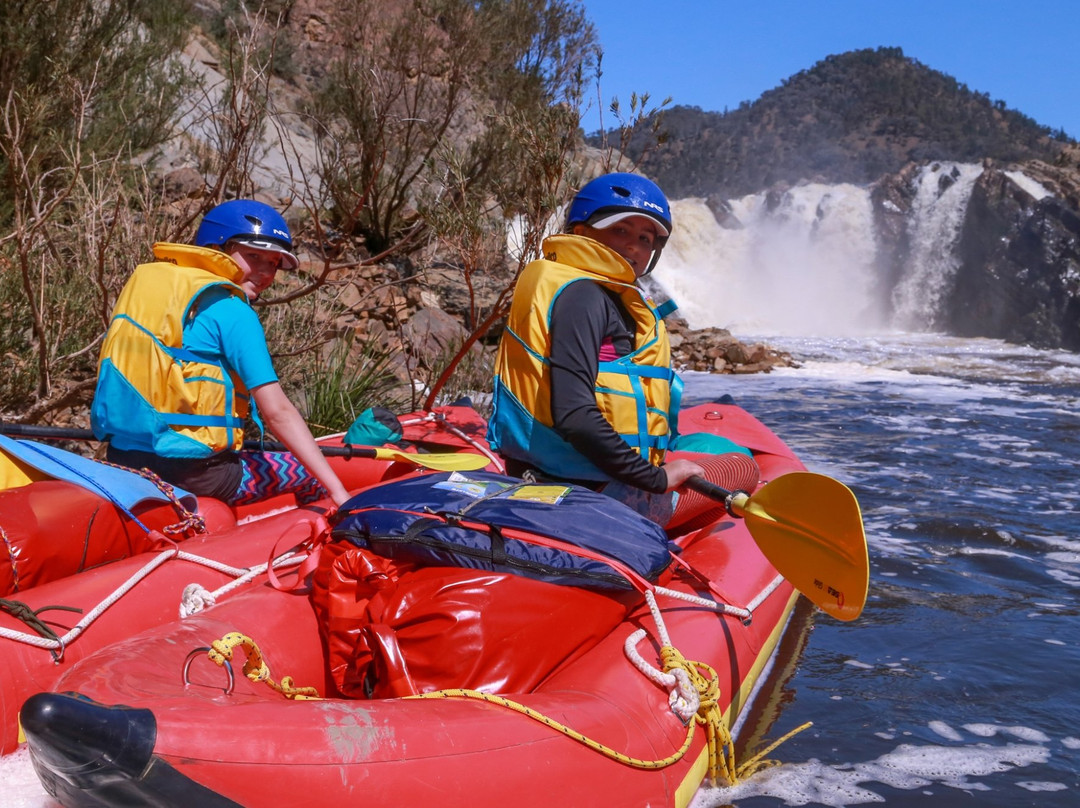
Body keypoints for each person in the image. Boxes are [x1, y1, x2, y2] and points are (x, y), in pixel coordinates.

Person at [91, 199, 351, 508]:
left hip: (126, 458)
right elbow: (277, 412)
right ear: (218, 250)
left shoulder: (158, 299)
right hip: (197, 474)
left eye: (273, 263)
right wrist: (339, 492)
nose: (265, 272)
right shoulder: (233, 310)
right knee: (308, 475)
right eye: (253, 256)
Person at [487, 173, 705, 524]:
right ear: (582, 232)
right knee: (736, 467)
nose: (634, 246)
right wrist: (656, 478)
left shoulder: (583, 289)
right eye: (621, 230)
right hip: (590, 489)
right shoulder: (585, 296)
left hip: (558, 471)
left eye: (645, 238)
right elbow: (575, 416)